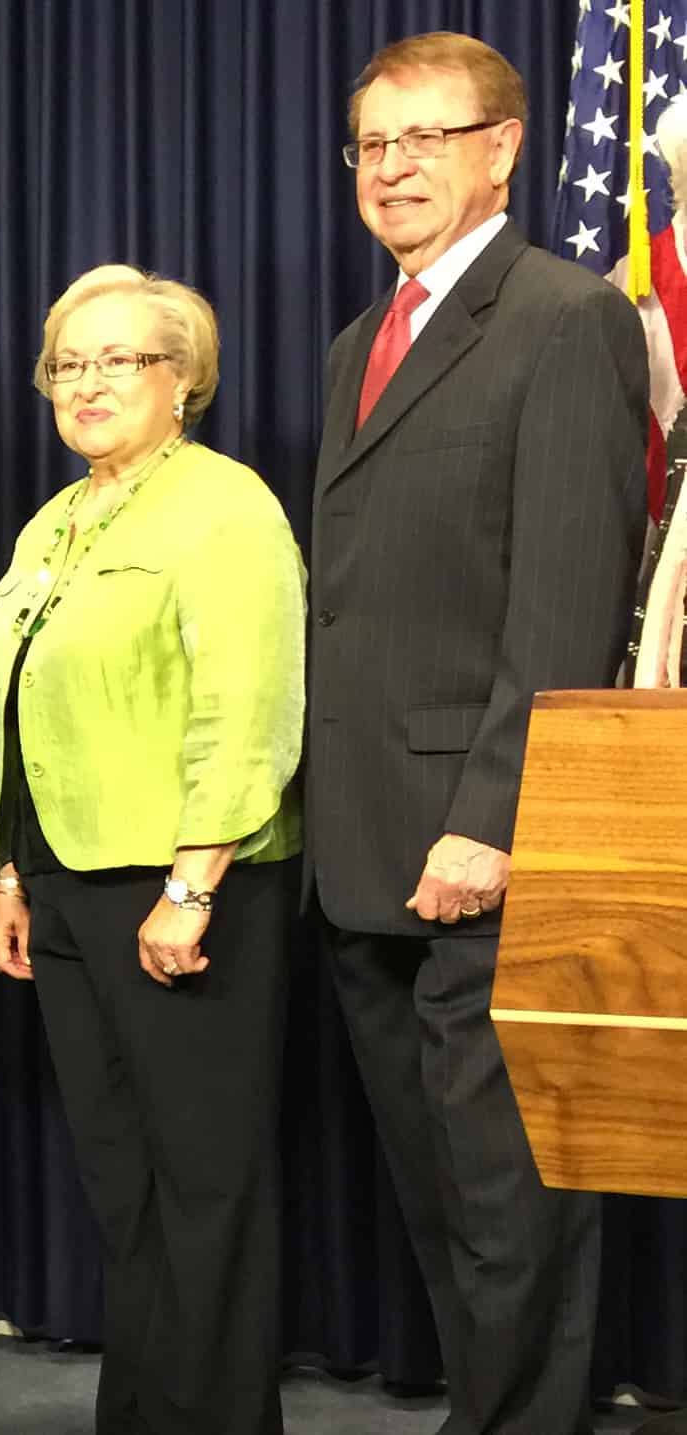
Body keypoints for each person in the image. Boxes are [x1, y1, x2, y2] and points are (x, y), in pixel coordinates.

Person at [310, 33, 646, 1435]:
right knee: (443, 1198)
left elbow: (567, 598)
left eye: (425, 139)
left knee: (514, 1207)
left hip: (478, 846)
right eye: (372, 146)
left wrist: (493, 820)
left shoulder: (564, 315)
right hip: (363, 849)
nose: (393, 169)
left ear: (504, 147)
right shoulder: (356, 346)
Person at [0, 266, 305, 1435]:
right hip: (66, 891)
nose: (87, 382)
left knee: (205, 1188)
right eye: (68, 363)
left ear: (183, 382)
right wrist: (9, 871)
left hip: (184, 891)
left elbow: (248, 706)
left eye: (120, 360)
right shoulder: (55, 521)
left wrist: (191, 883)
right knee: (124, 1187)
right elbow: (16, 707)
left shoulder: (224, 507)